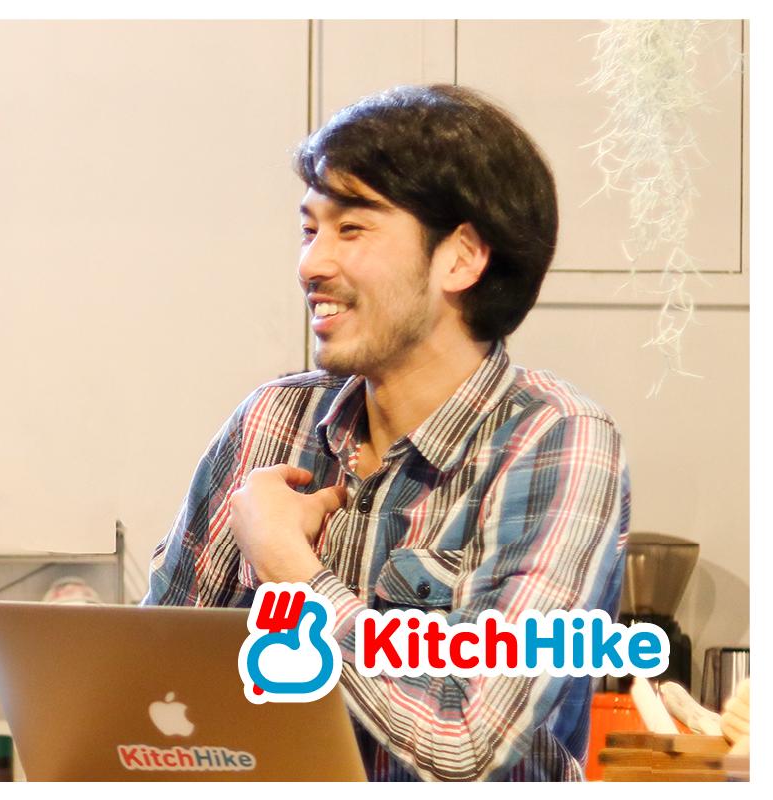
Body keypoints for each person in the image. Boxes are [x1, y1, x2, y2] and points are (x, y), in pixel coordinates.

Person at [142, 85, 631, 781]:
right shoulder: (272, 421)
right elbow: (148, 682)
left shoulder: (556, 439)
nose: (312, 264)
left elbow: (468, 739)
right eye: (309, 230)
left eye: (352, 228)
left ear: (461, 258)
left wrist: (291, 572)